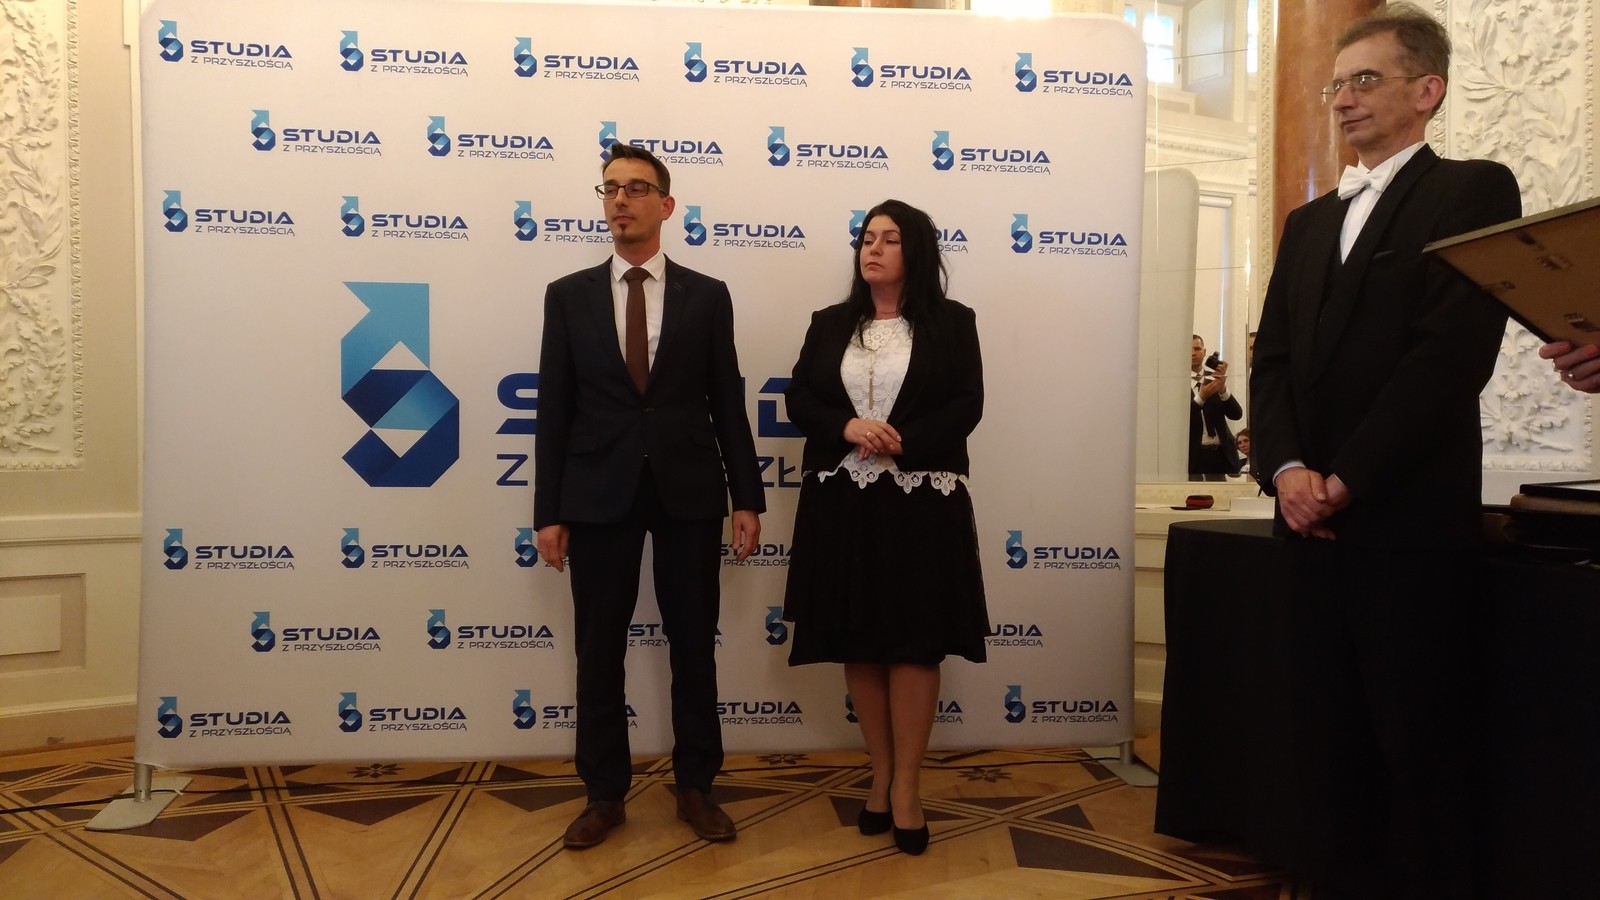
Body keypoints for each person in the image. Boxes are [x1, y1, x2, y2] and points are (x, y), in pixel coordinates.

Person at [1248, 4, 1521, 896]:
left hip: (1405, 525)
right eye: (1337, 83)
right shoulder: (1306, 223)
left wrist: (1346, 480)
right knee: (1318, 737)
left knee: (1418, 744)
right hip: (1306, 527)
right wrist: (1289, 472)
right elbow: (1272, 363)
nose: (1342, 99)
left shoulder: (1472, 191)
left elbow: (1447, 359)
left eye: (1366, 79)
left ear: (1427, 90)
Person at [533, 143, 765, 850]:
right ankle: (604, 793)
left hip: (688, 489)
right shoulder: (568, 295)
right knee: (598, 649)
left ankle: (696, 786)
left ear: (666, 206)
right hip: (597, 492)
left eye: (636, 188)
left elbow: (727, 402)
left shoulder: (708, 295)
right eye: (610, 189)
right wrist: (548, 511)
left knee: (693, 644)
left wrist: (747, 497)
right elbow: (554, 410)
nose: (620, 200)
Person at [781, 199, 989, 857]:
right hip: (842, 500)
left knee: (915, 644)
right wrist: (845, 426)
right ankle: (879, 774)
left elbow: (967, 403)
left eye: (889, 239)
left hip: (921, 502)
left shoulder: (954, 323)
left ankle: (907, 787)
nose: (872, 248)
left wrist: (904, 441)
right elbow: (799, 396)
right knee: (861, 642)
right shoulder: (829, 323)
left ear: (916, 251)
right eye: (867, 238)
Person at [1188, 335, 1243, 479]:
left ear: (1205, 352)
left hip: (1220, 454)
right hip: (1192, 456)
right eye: (1189, 349)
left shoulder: (1213, 380)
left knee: (1221, 492)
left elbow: (1236, 414)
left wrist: (1222, 389)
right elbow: (1180, 420)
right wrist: (1201, 397)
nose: (1193, 353)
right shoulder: (1176, 384)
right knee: (1193, 492)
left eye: (1197, 349)